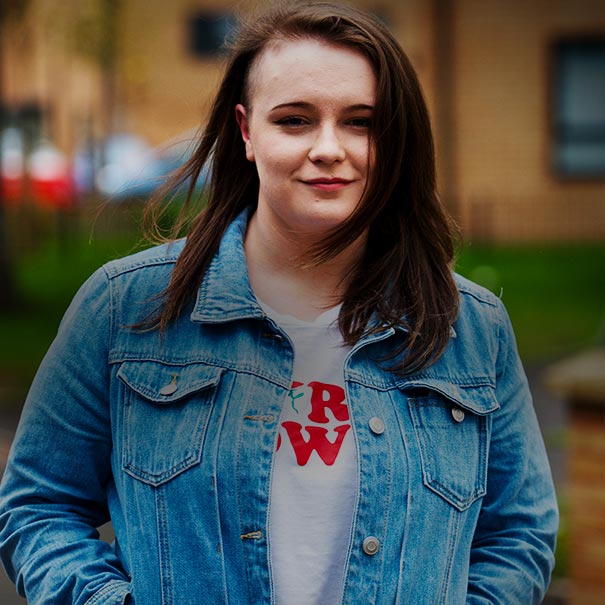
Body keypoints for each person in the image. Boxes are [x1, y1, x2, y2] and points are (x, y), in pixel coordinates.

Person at [0, 2, 558, 604]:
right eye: (294, 120)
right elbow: (39, 505)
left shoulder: (470, 328)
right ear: (245, 131)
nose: (328, 148)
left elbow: (517, 534)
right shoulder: (125, 309)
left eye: (361, 121)